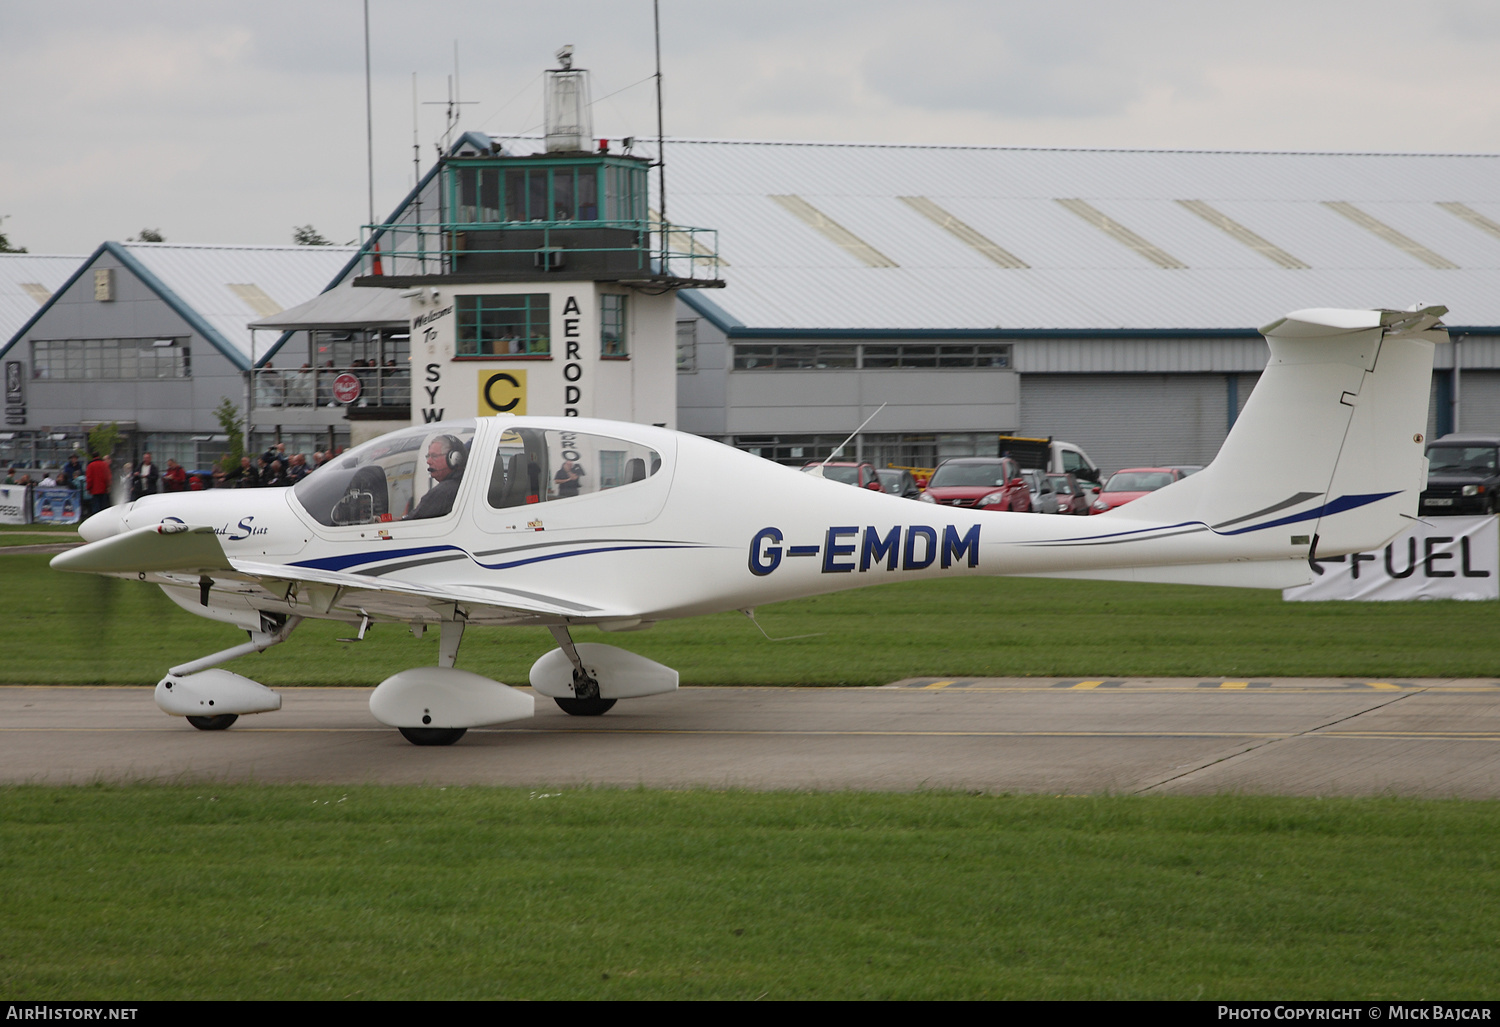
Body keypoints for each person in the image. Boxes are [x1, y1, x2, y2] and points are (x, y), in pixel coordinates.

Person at [406, 435, 466, 519]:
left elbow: (410, 522)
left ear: (454, 458)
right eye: (428, 456)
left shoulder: (443, 492)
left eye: (434, 456)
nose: (428, 461)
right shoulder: (465, 483)